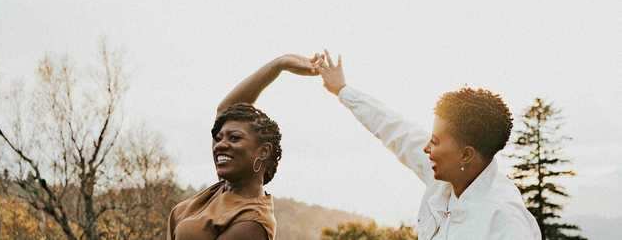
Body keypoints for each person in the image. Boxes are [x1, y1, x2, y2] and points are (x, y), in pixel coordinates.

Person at [317, 49, 541, 240]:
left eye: (434, 142)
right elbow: (394, 128)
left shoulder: (507, 222)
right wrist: (342, 90)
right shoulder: (449, 179)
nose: (426, 149)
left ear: (466, 155)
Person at [166, 53, 322, 240]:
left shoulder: (251, 222)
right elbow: (226, 109)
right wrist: (280, 64)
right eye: (219, 137)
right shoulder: (224, 189)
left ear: (263, 152)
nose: (221, 145)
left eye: (234, 138)